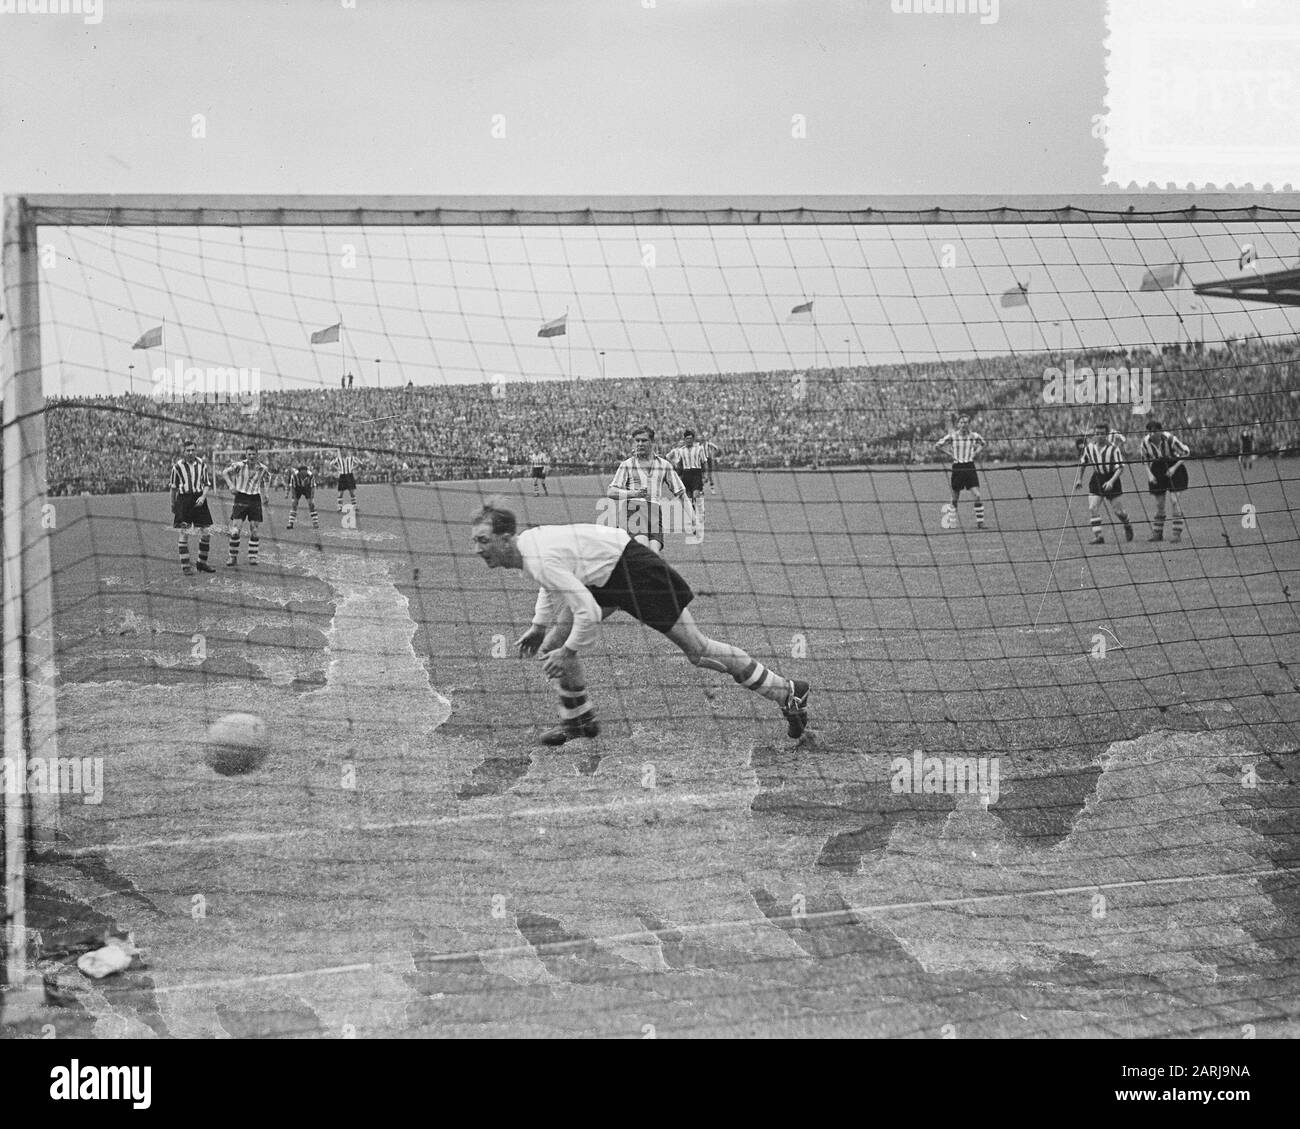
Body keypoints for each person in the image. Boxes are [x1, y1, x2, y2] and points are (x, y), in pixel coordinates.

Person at [470, 500, 810, 746]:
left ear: (505, 538)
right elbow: (553, 583)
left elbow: (585, 609)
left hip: (633, 571)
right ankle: (578, 720)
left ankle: (787, 692)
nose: (477, 550)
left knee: (699, 651)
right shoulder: (528, 550)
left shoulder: (536, 554)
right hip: (604, 574)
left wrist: (569, 649)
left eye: (483, 541)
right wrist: (540, 626)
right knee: (553, 644)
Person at [608, 425, 692, 554]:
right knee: (644, 549)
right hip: (634, 509)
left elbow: (681, 493)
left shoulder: (664, 465)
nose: (640, 444)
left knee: (654, 555)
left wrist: (693, 519)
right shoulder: (627, 465)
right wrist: (633, 493)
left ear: (652, 442)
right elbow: (611, 492)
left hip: (654, 512)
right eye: (637, 441)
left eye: (644, 440)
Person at [1074, 422, 1133, 545]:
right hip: (1097, 478)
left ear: (1106, 435)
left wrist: (1111, 481)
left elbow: (1120, 467)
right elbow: (1083, 463)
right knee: (1092, 507)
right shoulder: (1089, 448)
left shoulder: (1113, 449)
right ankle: (1099, 536)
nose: (1100, 436)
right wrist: (1079, 479)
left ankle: (1127, 525)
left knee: (1119, 512)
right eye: (1097, 433)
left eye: (1102, 434)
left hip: (1112, 479)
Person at [169, 437, 216, 575]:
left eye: (193, 450)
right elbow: (173, 488)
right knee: (184, 532)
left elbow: (207, 484)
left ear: (196, 450)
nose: (190, 452)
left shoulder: (202, 464)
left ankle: (202, 563)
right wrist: (173, 504)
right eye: (188, 450)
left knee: (206, 533)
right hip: (184, 501)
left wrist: (203, 496)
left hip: (199, 499)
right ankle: (186, 567)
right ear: (184, 452)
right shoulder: (177, 467)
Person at [1141, 419, 1191, 543]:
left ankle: (1176, 534)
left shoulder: (1170, 439)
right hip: (1157, 468)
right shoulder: (1145, 442)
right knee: (1159, 504)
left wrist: (1173, 468)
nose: (1152, 434)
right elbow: (1145, 461)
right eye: (1150, 432)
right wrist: (1150, 475)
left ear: (1160, 431)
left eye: (1155, 432)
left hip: (1175, 466)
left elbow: (1186, 452)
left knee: (1174, 500)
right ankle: (1158, 534)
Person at [222, 444, 272, 567]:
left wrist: (266, 493)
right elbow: (224, 472)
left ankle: (253, 557)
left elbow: (267, 478)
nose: (251, 456)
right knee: (235, 531)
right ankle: (232, 557)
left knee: (254, 530)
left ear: (257, 455)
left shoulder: (262, 468)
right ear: (246, 454)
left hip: (255, 499)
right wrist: (231, 485)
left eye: (253, 454)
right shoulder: (239, 466)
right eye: (249, 454)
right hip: (241, 497)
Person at [935, 414, 987, 529]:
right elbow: (937, 445)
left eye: (966, 422)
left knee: (977, 495)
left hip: (970, 467)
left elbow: (983, 443)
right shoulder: (952, 436)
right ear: (958, 424)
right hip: (958, 467)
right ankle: (951, 522)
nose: (964, 425)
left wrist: (975, 453)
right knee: (955, 497)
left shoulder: (974, 436)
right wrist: (950, 454)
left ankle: (980, 522)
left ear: (969, 424)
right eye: (962, 423)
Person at [666, 428, 708, 535]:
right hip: (686, 474)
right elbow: (679, 464)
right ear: (684, 439)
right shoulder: (681, 451)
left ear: (693, 439)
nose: (689, 440)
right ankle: (695, 522)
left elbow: (704, 462)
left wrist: (705, 475)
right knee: (688, 500)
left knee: (696, 495)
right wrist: (677, 474)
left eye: (690, 438)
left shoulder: (700, 449)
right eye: (687, 439)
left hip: (696, 474)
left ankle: (701, 512)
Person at [286, 463, 320, 531]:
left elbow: (313, 487)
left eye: (305, 470)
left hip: (307, 488)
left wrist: (311, 498)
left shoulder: (310, 475)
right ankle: (290, 523)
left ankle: (315, 522)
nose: (304, 472)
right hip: (297, 488)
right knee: (294, 504)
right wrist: (294, 498)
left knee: (311, 504)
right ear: (300, 471)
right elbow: (292, 487)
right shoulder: (294, 476)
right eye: (303, 471)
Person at [331, 447, 363, 512]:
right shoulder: (338, 458)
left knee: (352, 492)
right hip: (342, 476)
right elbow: (331, 464)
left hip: (349, 475)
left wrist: (353, 467)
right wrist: (338, 468)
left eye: (345, 450)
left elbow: (360, 463)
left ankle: (355, 506)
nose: (344, 452)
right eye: (343, 451)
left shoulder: (351, 458)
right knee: (340, 492)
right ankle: (339, 507)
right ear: (341, 452)